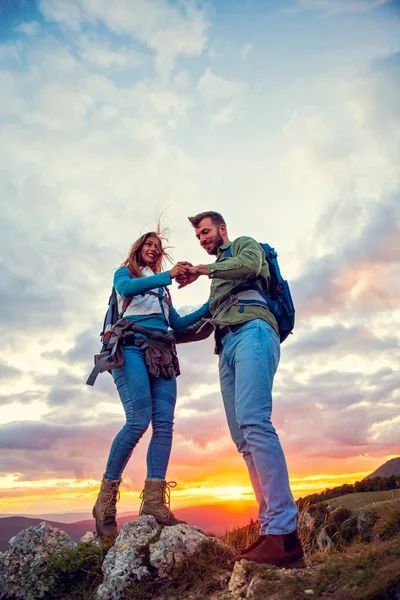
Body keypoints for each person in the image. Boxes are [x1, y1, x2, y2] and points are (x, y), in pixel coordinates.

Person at [179, 211, 305, 568]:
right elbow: (199, 321)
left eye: (206, 232)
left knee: (255, 422)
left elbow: (249, 266)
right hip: (226, 347)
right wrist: (155, 325)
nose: (203, 239)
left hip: (254, 332)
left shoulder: (245, 247)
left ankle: (285, 535)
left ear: (221, 229)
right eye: (199, 236)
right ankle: (271, 533)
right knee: (243, 439)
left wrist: (202, 269)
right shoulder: (219, 281)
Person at [92, 231, 210, 538]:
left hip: (162, 352)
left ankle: (154, 504)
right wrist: (168, 276)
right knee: (137, 421)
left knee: (164, 425)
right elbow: (125, 288)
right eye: (149, 244)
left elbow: (179, 324)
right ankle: (104, 503)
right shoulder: (126, 274)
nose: (153, 249)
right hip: (130, 347)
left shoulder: (163, 292)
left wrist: (212, 304)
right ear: (138, 248)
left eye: (157, 248)